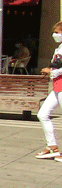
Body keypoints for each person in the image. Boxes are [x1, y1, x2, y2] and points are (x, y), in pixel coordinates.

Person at [36, 22, 62, 159]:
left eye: (57, 32)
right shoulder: (59, 48)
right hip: (57, 86)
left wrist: (51, 71)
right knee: (43, 114)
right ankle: (52, 146)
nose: (54, 35)